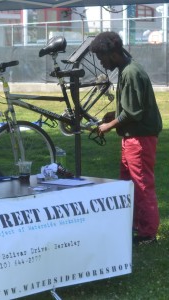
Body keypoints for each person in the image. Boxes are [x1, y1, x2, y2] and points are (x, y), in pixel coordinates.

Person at [89, 31, 162, 246]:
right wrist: (114, 115)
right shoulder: (125, 68)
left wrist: (108, 126)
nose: (101, 63)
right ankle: (134, 225)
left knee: (141, 185)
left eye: (101, 58)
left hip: (140, 138)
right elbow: (130, 106)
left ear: (112, 53)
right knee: (128, 184)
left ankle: (148, 233)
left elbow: (132, 113)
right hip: (132, 136)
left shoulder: (131, 72)